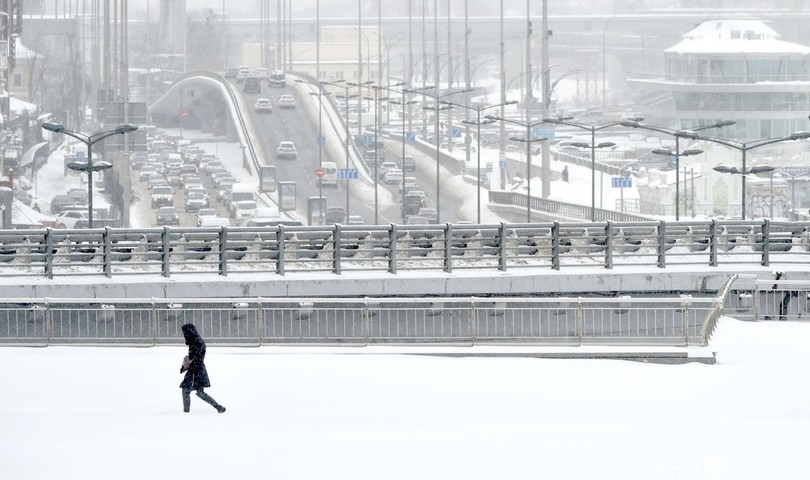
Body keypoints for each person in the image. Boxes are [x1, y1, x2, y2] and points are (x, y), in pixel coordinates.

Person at [179, 323, 226, 413]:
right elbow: (192, 357)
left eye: (185, 333)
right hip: (195, 370)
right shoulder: (194, 342)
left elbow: (199, 358)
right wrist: (186, 364)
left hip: (197, 370)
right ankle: (218, 407)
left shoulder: (198, 343)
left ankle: (186, 412)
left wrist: (190, 365)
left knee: (194, 391)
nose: (185, 335)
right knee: (193, 391)